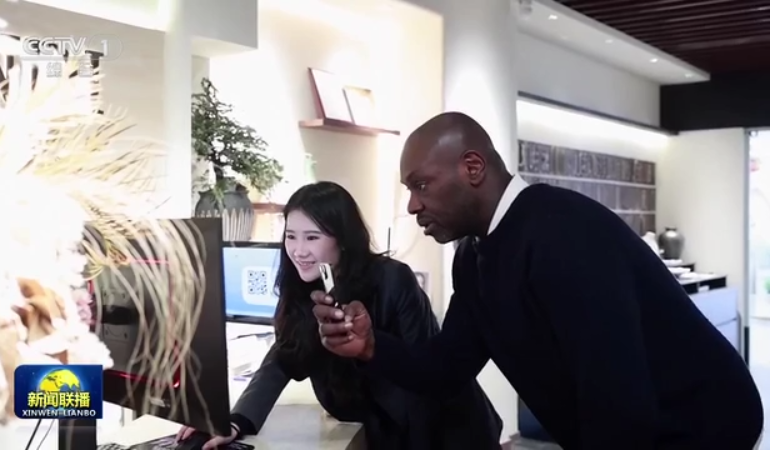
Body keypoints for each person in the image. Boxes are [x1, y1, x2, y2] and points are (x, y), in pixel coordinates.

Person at [312, 112, 765, 449]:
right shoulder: (473, 257)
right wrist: (371, 346)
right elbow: (446, 368)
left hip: (700, 428)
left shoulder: (563, 234)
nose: (412, 205)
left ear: (473, 168)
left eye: (421, 185)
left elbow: (619, 400)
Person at [177, 181, 502, 450]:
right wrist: (236, 421)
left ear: (343, 240)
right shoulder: (301, 287)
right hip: (373, 431)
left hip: (445, 433)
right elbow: (283, 357)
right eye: (291, 236)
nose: (299, 250)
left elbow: (424, 380)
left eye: (312, 237)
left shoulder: (392, 279)